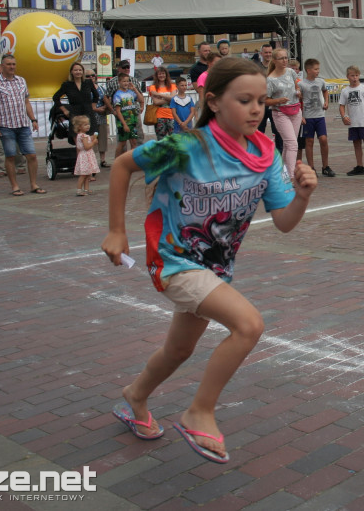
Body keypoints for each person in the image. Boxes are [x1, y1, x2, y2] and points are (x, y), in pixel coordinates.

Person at [102, 57, 318, 462]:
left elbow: (285, 223)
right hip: (173, 261)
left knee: (178, 351)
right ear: (214, 102)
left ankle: (135, 396)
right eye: (244, 100)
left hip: (215, 269)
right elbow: (121, 165)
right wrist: (117, 229)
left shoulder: (266, 154)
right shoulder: (187, 146)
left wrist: (303, 197)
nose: (256, 109)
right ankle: (200, 411)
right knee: (248, 325)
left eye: (261, 101)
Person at [0, 55, 44, 196]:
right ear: (2, 66)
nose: (12, 67)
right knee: (10, 156)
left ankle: (33, 184)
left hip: (23, 124)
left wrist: (33, 119)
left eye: (13, 64)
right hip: (6, 125)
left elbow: (26, 102)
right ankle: (15, 186)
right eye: (8, 64)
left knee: (31, 155)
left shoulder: (21, 81)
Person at [266, 48, 302, 177]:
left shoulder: (291, 72)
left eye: (286, 57)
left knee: (289, 144)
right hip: (280, 112)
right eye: (281, 58)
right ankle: (292, 176)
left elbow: (297, 85)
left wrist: (298, 91)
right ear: (274, 60)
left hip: (295, 110)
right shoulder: (270, 79)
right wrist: (278, 100)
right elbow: (265, 100)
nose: (285, 60)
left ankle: (285, 173)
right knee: (292, 144)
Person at [0, 65, 26, 177]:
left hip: (17, 120)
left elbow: (25, 101)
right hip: (1, 122)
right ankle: (1, 169)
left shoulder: (19, 81)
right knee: (0, 147)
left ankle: (21, 166)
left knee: (18, 147)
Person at [339, 65, 364, 177]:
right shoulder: (345, 91)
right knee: (356, 143)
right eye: (352, 75)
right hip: (353, 122)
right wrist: (343, 116)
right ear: (348, 77)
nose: (355, 78)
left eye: (356, 75)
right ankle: (359, 166)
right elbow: (341, 105)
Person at [299, 58, 334, 177]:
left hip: (320, 115)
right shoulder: (301, 84)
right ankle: (311, 168)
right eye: (315, 69)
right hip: (308, 116)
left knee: (323, 139)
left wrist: (326, 102)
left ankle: (326, 166)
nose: (318, 71)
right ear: (308, 70)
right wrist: (300, 115)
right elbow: (298, 100)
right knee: (309, 141)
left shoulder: (320, 82)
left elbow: (325, 92)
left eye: (318, 69)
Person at [53, 62, 100, 138]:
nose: (78, 72)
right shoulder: (67, 85)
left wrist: (93, 106)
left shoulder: (88, 82)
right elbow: (55, 97)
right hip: (75, 114)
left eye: (80, 70)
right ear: (71, 71)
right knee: (78, 140)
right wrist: (64, 110)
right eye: (75, 70)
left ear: (83, 71)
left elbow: (96, 95)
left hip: (88, 113)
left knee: (90, 138)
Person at [112, 72, 145, 157]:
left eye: (127, 81)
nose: (126, 83)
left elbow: (141, 99)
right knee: (122, 143)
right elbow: (118, 111)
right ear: (119, 82)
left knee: (134, 142)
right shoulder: (117, 95)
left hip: (132, 121)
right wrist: (124, 124)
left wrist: (135, 89)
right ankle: (117, 162)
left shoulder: (131, 92)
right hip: (124, 122)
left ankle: (132, 161)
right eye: (124, 81)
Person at [87, 70, 110, 168]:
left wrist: (105, 107)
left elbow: (107, 99)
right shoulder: (84, 89)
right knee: (91, 138)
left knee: (103, 137)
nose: (91, 77)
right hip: (90, 116)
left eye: (93, 75)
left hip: (102, 116)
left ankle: (103, 160)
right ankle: (91, 161)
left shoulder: (101, 88)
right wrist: (96, 109)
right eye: (88, 76)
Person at [72, 115, 99, 196]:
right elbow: (87, 147)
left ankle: (86, 189)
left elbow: (87, 139)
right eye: (85, 124)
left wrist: (92, 137)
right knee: (83, 175)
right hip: (85, 156)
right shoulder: (83, 136)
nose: (88, 126)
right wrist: (93, 143)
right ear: (79, 127)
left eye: (88, 124)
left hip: (85, 155)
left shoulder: (82, 135)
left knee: (87, 174)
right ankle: (79, 189)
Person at [148, 66, 176, 140]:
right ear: (156, 76)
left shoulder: (172, 86)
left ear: (166, 75)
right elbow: (156, 102)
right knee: (161, 139)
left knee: (173, 139)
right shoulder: (153, 87)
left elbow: (173, 98)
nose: (161, 76)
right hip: (159, 116)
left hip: (172, 115)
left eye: (163, 73)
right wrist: (168, 97)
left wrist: (159, 94)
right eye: (159, 74)